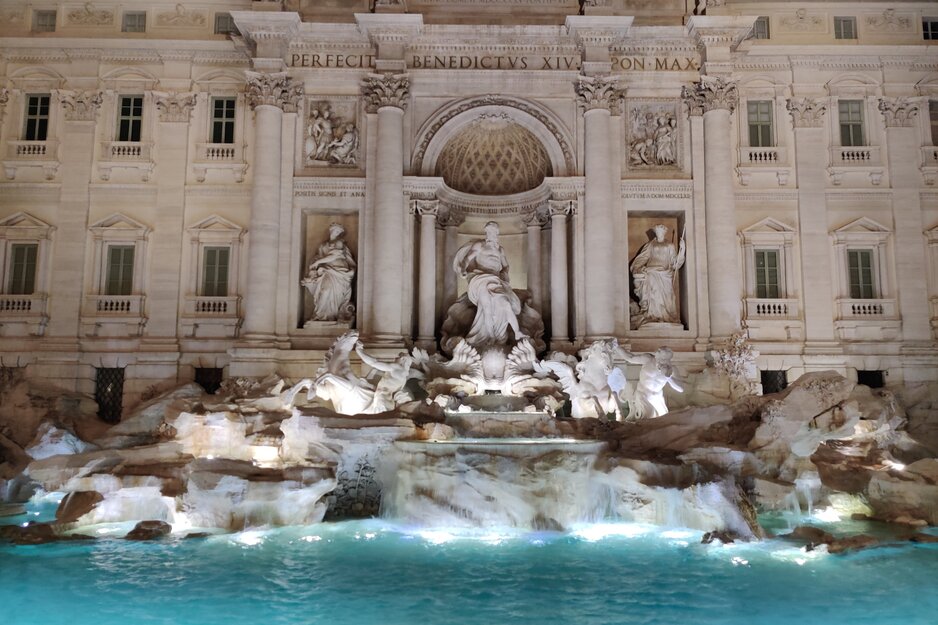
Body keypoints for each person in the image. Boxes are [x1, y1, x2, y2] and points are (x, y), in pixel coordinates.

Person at [452, 221, 526, 347]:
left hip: (496, 280)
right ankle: (491, 338)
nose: (491, 234)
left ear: (497, 233)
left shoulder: (500, 250)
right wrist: (463, 269)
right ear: (486, 232)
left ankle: (517, 332)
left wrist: (505, 273)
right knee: (486, 308)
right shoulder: (480, 245)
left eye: (494, 231)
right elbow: (467, 259)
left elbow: (506, 265)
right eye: (489, 231)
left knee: (506, 303)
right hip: (481, 279)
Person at [630, 224, 685, 326]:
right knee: (652, 291)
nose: (659, 234)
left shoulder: (670, 245)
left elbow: (675, 263)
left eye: (661, 232)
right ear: (656, 233)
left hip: (665, 274)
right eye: (658, 232)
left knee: (667, 296)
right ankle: (652, 316)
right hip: (651, 272)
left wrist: (682, 250)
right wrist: (637, 268)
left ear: (664, 233)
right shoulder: (650, 245)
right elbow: (642, 258)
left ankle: (665, 317)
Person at [301, 223, 356, 321]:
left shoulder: (339, 242)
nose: (337, 233)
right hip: (326, 271)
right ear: (331, 230)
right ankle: (320, 315)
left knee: (330, 292)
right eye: (336, 231)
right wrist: (315, 263)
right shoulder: (323, 245)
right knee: (325, 291)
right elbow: (319, 256)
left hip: (339, 272)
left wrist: (318, 262)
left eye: (339, 232)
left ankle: (330, 317)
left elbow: (334, 256)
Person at [618, 347, 683, 419]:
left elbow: (680, 389)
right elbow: (630, 358)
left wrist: (668, 377)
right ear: (657, 355)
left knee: (664, 419)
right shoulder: (648, 359)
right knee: (649, 417)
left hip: (657, 397)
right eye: (662, 359)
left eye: (666, 360)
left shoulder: (672, 369)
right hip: (643, 394)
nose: (663, 362)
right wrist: (616, 347)